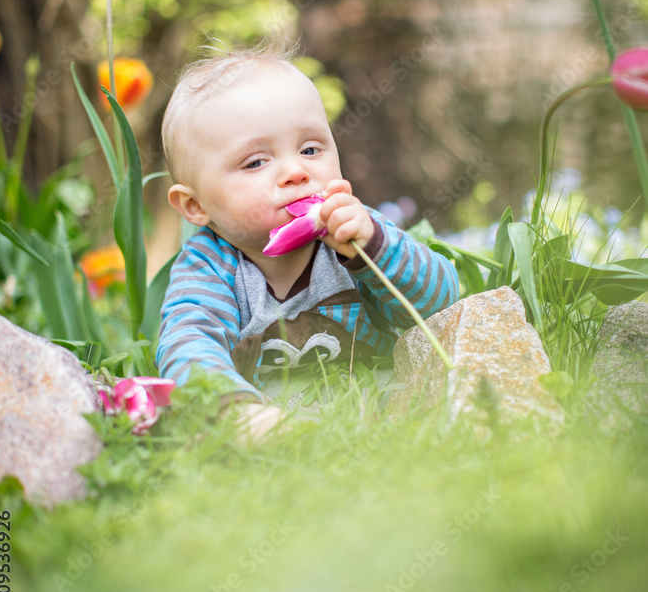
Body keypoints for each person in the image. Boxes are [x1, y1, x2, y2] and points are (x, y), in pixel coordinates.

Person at [157, 40, 458, 441]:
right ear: (195, 205)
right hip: (270, 437)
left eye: (311, 148)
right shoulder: (210, 268)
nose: (296, 171)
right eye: (256, 162)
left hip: (383, 424)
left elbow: (442, 306)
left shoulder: (358, 234)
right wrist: (235, 415)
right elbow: (188, 345)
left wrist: (374, 248)